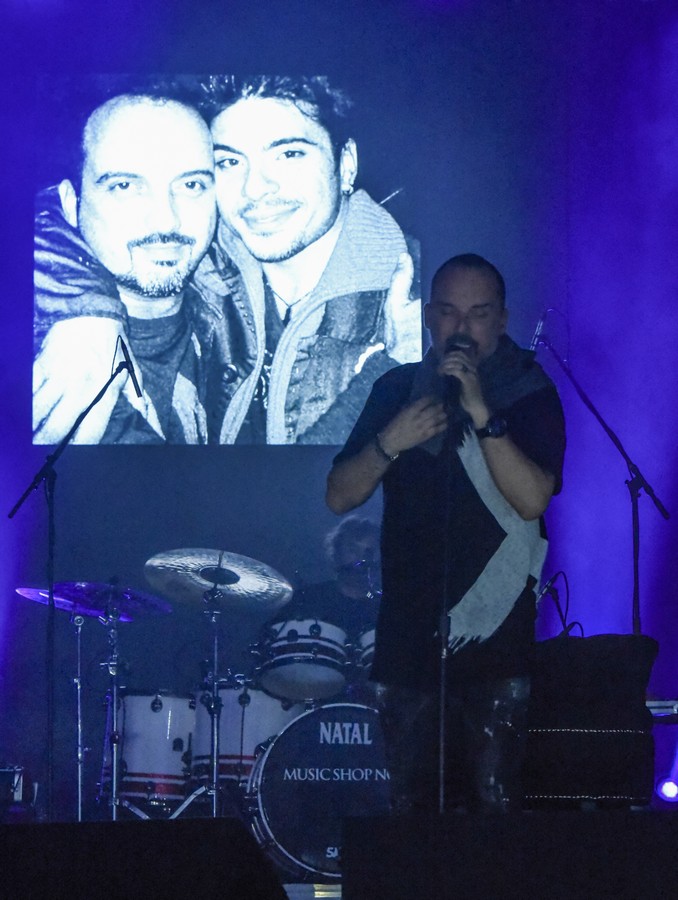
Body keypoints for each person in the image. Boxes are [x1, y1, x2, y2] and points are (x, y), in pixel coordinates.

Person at [33, 75, 420, 446]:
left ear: (346, 163)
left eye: (289, 154)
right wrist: (81, 306)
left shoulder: (415, 304)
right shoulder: (51, 353)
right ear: (70, 202)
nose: (166, 220)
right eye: (230, 162)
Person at [326, 253, 566, 813]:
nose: (462, 329)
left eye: (478, 314)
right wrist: (391, 440)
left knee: (492, 812)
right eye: (450, 313)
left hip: (494, 637)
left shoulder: (529, 391)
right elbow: (339, 495)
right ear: (429, 317)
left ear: (501, 320)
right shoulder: (396, 389)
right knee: (413, 815)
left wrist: (482, 413)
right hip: (408, 639)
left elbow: (532, 499)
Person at [33, 85, 248, 444]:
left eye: (191, 185)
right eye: (124, 186)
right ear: (70, 204)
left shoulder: (248, 305)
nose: (166, 220)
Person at [254, 516, 382, 704]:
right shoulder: (308, 598)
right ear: (336, 554)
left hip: (375, 702)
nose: (362, 558)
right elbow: (270, 642)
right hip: (313, 698)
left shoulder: (385, 607)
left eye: (369, 551)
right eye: (353, 550)